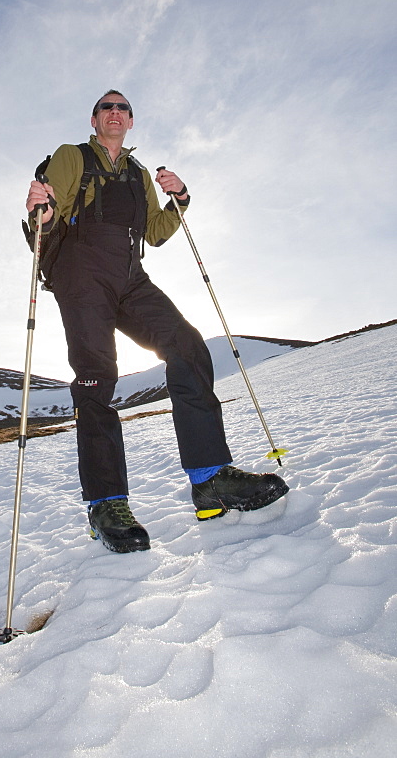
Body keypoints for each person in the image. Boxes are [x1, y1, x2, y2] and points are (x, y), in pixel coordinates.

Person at [26, 90, 288, 553]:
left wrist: (180, 198)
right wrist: (39, 208)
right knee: (96, 376)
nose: (115, 113)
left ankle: (210, 480)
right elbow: (48, 213)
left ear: (130, 122)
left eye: (123, 108)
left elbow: (156, 232)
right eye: (107, 107)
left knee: (186, 344)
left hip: (130, 276)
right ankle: (106, 503)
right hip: (81, 274)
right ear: (95, 119)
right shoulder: (73, 156)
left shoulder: (138, 173)